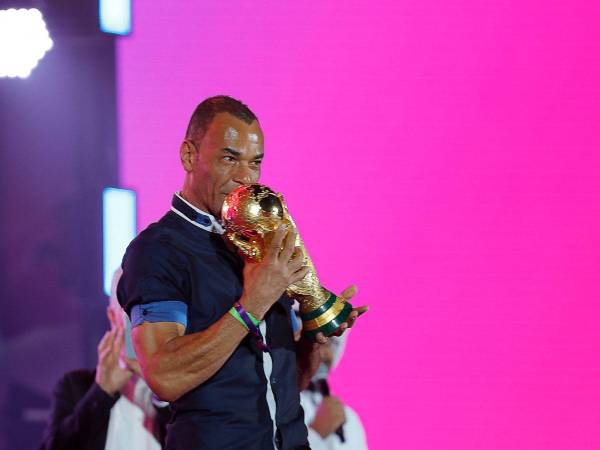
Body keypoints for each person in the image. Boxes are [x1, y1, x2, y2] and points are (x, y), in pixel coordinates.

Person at [117, 95, 367, 450]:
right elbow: (164, 376)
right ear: (189, 155)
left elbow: (283, 384)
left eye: (255, 164)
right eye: (229, 159)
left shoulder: (260, 241)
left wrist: (314, 334)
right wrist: (252, 304)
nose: (244, 178)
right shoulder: (158, 250)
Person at [40, 269, 169, 450]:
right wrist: (102, 392)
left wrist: (163, 388)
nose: (141, 324)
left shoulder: (184, 391)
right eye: (129, 312)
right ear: (113, 317)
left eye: (148, 311)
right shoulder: (75, 387)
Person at [300, 334, 368, 450]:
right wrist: (316, 433)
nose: (324, 353)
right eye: (317, 344)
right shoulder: (276, 404)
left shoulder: (349, 418)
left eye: (330, 343)